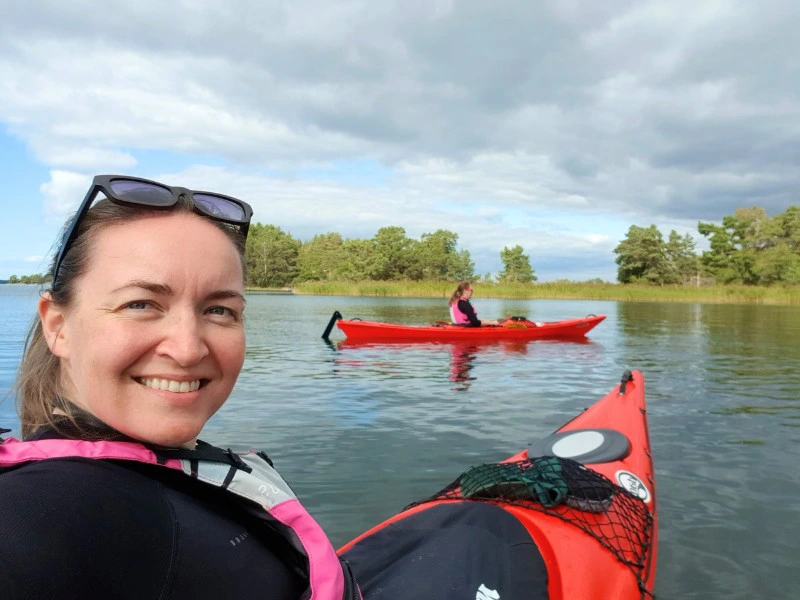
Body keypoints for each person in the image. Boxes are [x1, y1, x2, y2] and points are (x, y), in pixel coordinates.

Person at [0, 175, 358, 599]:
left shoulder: (167, 476)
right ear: (59, 327)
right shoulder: (40, 512)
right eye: (140, 304)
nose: (188, 349)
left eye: (219, 309)